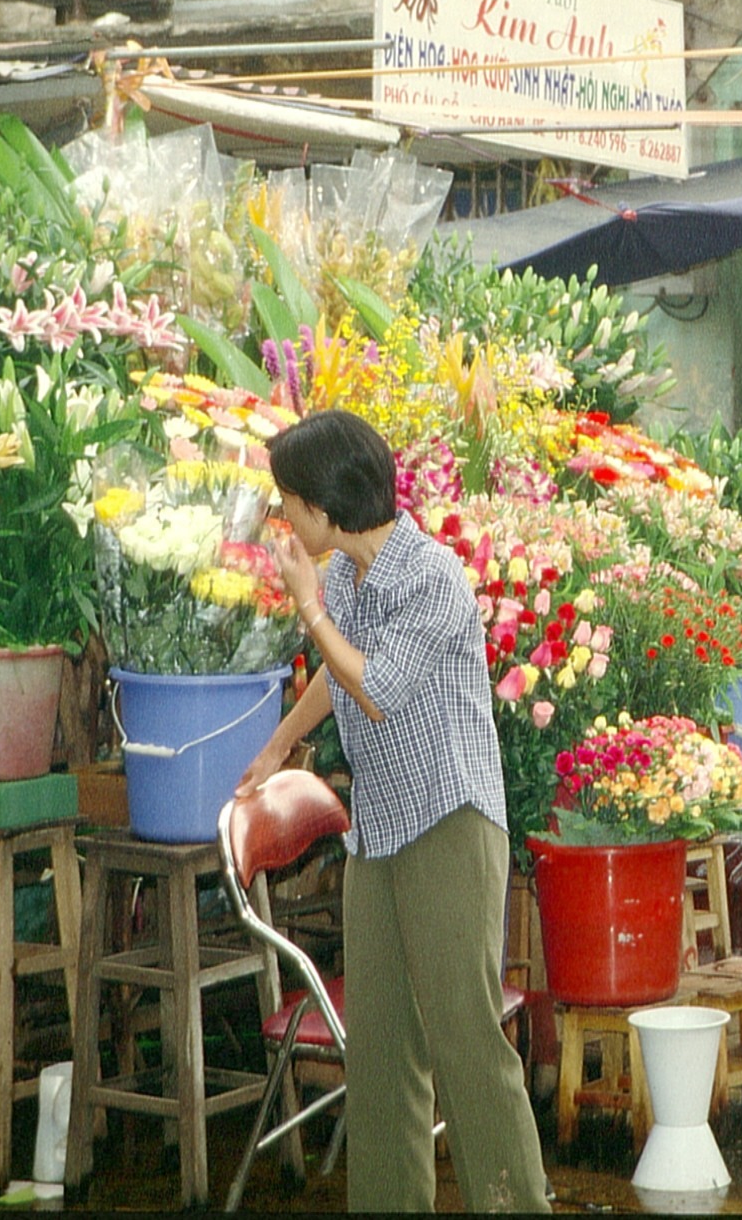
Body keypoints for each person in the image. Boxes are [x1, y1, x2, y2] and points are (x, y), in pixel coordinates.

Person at [235, 409, 549, 1214]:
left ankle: (515, 1206)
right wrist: (276, 749)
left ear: (325, 505)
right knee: (380, 1052)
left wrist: (308, 608)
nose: (284, 517)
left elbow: (375, 688)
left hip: (450, 822)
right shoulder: (347, 571)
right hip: (379, 827)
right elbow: (333, 678)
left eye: (289, 502)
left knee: (466, 1040)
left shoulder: (431, 576)